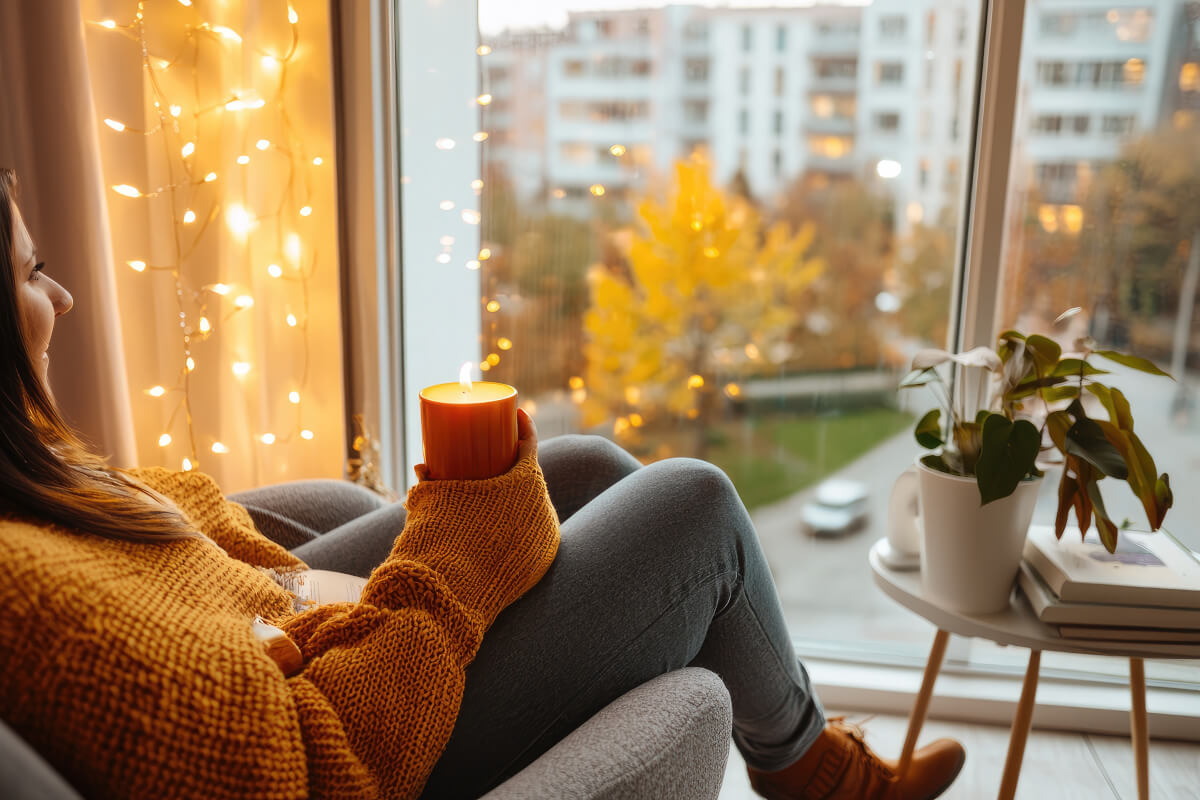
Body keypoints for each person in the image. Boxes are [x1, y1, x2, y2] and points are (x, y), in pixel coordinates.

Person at [0, 167, 964, 800]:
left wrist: (306, 605)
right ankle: (814, 772)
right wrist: (450, 557)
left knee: (582, 466)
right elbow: (305, 768)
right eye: (33, 271)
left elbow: (197, 593)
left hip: (290, 635)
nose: (63, 297)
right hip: (375, 749)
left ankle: (803, 758)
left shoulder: (27, 497)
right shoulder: (28, 599)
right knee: (698, 505)